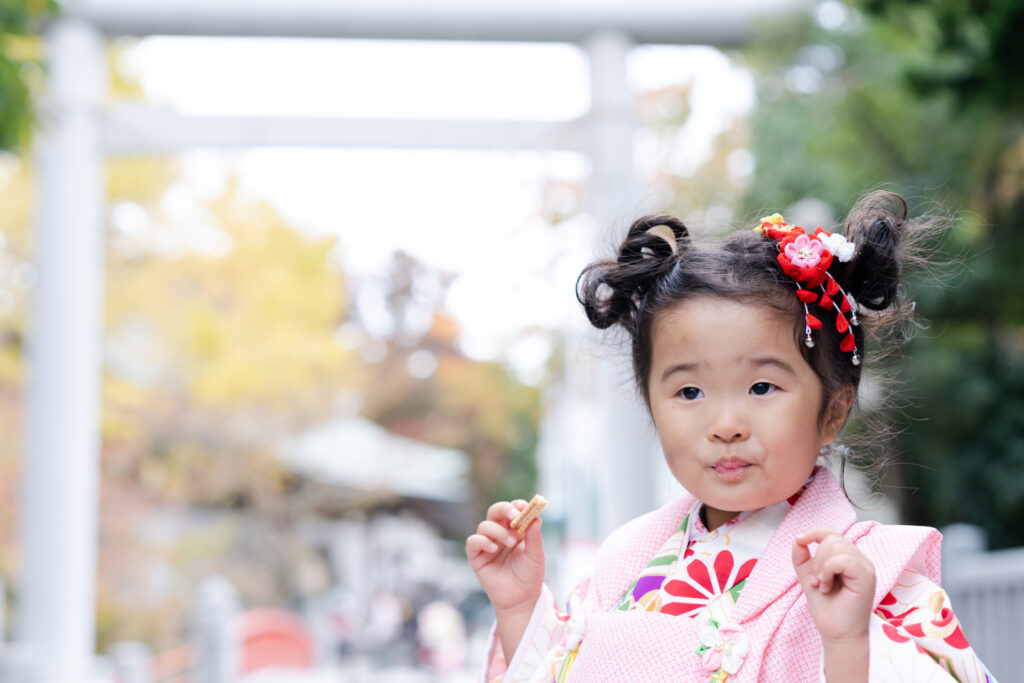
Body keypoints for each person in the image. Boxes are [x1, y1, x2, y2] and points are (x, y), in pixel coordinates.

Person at [465, 192, 996, 682]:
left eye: (761, 386)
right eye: (689, 392)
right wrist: (519, 608)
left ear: (833, 411)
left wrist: (847, 644)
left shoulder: (870, 574)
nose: (724, 424)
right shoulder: (626, 561)